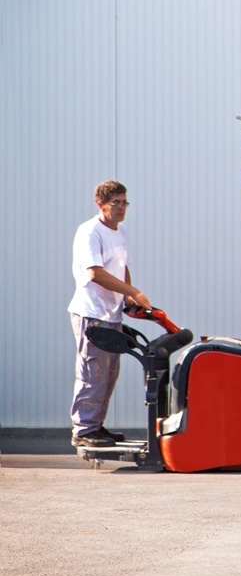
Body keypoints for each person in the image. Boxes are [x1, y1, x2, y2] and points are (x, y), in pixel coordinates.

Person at [67, 180, 151, 447]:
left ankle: (95, 426)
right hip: (91, 313)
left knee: (110, 373)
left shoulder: (120, 230)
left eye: (124, 202)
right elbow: (96, 273)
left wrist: (127, 297)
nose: (121, 208)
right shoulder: (90, 232)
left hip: (112, 313)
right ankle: (83, 430)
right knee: (93, 373)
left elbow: (122, 266)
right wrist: (134, 291)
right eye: (115, 203)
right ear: (100, 205)